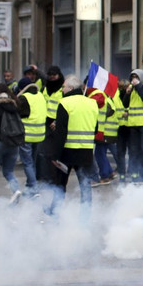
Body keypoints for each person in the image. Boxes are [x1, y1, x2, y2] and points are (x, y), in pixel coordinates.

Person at [45, 74, 97, 216]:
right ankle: (85, 215)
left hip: (67, 152)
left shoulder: (65, 103)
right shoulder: (92, 103)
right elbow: (95, 128)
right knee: (85, 186)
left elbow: (61, 133)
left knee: (60, 184)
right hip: (86, 151)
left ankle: (55, 211)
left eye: (64, 87)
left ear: (71, 88)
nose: (62, 89)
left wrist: (55, 156)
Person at [123, 68, 143, 183]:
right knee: (133, 151)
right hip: (133, 124)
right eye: (132, 77)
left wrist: (137, 87)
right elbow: (125, 103)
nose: (133, 79)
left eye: (136, 77)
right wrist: (127, 94)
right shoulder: (131, 88)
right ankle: (135, 174)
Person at [15, 77, 45, 193]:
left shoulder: (24, 98)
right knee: (32, 160)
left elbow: (21, 114)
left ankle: (33, 187)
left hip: (27, 134)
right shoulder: (40, 95)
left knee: (27, 163)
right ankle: (30, 184)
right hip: (40, 134)